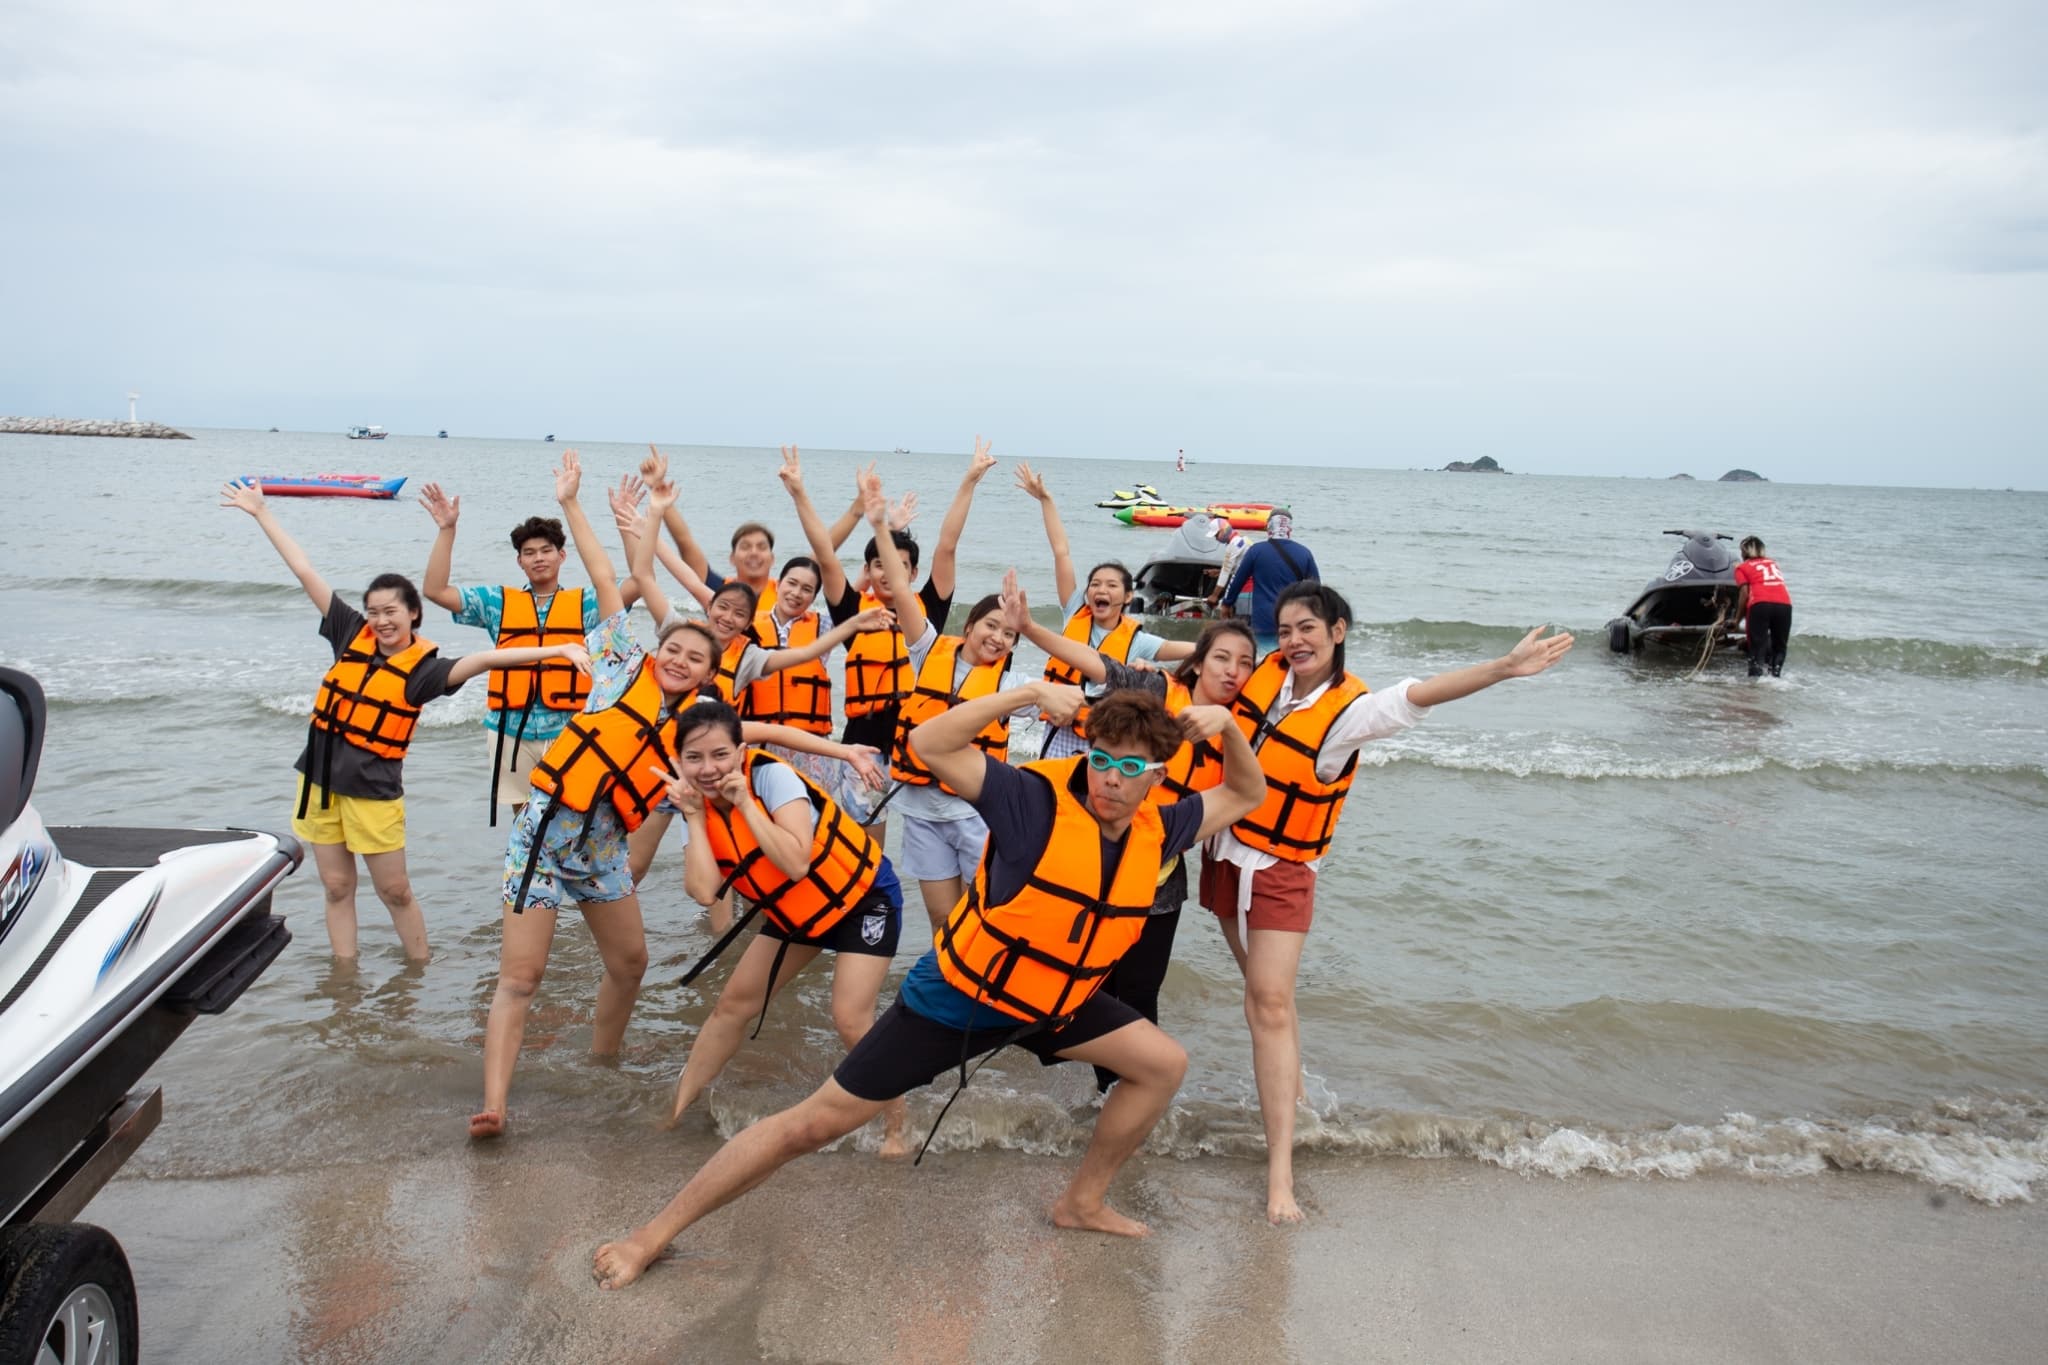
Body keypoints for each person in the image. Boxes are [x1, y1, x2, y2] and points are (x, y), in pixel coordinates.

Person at [591, 684, 1269, 1290]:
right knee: (812, 1124)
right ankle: (650, 1235)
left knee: (1162, 1064)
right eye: (1101, 759)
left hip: (1055, 1002)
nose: (1111, 780)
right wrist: (1026, 694)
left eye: (1131, 768)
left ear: (1157, 776)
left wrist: (1232, 729)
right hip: (959, 998)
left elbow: (1247, 793)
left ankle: (1082, 1202)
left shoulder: (1164, 826)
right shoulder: (1030, 801)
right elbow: (929, 743)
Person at [471, 453, 881, 1140]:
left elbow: (767, 731)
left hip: (602, 847)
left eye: (697, 656)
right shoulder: (616, 665)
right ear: (658, 649)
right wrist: (584, 505)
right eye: (675, 649)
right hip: (543, 833)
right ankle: (495, 1105)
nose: (682, 659)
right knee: (523, 974)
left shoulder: (697, 722)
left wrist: (843, 751)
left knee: (630, 964)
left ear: (710, 672)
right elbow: (614, 576)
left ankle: (602, 1062)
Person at [1204, 579, 1573, 1224]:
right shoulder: (1266, 676)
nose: (1294, 641)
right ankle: (1296, 1091)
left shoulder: (1350, 712)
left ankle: (1280, 1174)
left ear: (1337, 631)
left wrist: (1502, 669)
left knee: (1267, 1005)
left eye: (1308, 629)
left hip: (1281, 871)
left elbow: (1417, 694)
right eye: (1285, 630)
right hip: (1224, 857)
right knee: (1269, 1000)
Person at [220, 479, 590, 962]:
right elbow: (304, 569)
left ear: (414, 614)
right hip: (318, 785)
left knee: (394, 891)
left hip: (373, 789)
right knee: (336, 886)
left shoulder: (423, 671)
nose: (381, 620)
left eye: (391, 611)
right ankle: (345, 976)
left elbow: (484, 660)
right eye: (373, 612)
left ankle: (419, 965)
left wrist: (559, 649)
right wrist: (262, 513)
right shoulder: (349, 633)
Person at [1005, 574, 1260, 1090]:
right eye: (1221, 658)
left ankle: (1124, 1093)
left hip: (1159, 880)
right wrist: (1030, 629)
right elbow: (1099, 665)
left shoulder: (1242, 728)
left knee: (1140, 994)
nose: (1232, 671)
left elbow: (1249, 788)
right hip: (1098, 862)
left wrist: (1228, 726)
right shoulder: (1159, 689)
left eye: (1245, 663)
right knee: (1084, 982)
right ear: (1198, 662)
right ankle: (1092, 1075)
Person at [623, 463, 895, 883]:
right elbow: (678, 570)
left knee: (786, 843)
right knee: (695, 852)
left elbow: (825, 568)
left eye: (807, 588)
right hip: (713, 750)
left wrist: (866, 520)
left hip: (779, 749)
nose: (797, 592)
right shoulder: (710, 631)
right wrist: (649, 524)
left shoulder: (794, 636)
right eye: (791, 584)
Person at [662, 702, 908, 1157]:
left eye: (720, 754)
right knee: (731, 1007)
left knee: (849, 1018)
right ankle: (675, 1114)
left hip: (862, 899)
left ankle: (898, 1126)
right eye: (694, 758)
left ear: (741, 752)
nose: (708, 769)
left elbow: (796, 863)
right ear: (679, 761)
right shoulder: (693, 804)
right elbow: (704, 891)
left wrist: (745, 804)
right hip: (798, 912)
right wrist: (694, 817)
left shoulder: (771, 778)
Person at [777, 441, 997, 838]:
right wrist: (799, 494)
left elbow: (947, 546)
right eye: (879, 564)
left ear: (912, 573)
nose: (887, 572)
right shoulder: (853, 610)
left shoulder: (928, 608)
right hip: (864, 745)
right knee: (867, 845)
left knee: (929, 841)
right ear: (868, 569)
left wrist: (969, 481)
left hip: (920, 743)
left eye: (898, 565)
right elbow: (824, 555)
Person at [419, 484, 639, 823]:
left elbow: (638, 583)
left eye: (546, 550)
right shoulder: (497, 602)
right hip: (510, 731)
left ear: (562, 556)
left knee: (571, 821)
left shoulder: (587, 604)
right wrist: (447, 530)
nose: (538, 558)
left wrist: (627, 523)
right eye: (529, 552)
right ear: (519, 561)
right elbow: (435, 590)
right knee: (524, 823)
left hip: (569, 729)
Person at [886, 560, 1037, 931]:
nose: (998, 638)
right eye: (991, 625)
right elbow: (902, 590)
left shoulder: (1013, 686)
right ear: (969, 626)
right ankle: (944, 968)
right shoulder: (927, 654)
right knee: (943, 918)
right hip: (922, 813)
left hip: (976, 816)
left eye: (1009, 634)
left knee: (983, 913)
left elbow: (1075, 698)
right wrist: (882, 532)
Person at [1013, 461, 1192, 759]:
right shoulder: (1075, 611)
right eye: (1095, 584)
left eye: (1111, 585)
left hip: (1105, 741)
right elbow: (1061, 552)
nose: (1100, 590)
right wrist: (1046, 499)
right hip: (1059, 731)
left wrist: (1221, 651)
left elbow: (1187, 650)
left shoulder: (1138, 641)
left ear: (1128, 596)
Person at [1217, 510, 1318, 652]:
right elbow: (1316, 590)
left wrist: (1227, 604)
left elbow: (1238, 580)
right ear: (1289, 529)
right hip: (1291, 621)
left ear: (1269, 527)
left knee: (1263, 659)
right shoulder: (1304, 553)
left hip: (1262, 620)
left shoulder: (1256, 551)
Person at [1734, 536, 1793, 678]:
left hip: (1760, 605)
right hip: (1784, 604)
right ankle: (1775, 679)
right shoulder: (1773, 564)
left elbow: (1744, 594)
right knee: (1779, 647)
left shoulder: (1741, 567)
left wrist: (1737, 620)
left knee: (1757, 648)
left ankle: (1754, 683)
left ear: (1744, 552)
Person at [1204, 514, 1251, 616]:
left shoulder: (1232, 546)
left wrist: (1214, 595)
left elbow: (1225, 572)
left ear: (1224, 530)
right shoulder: (1244, 539)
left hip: (1244, 581)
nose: (1216, 539)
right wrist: (1218, 571)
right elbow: (1237, 566)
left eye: (1216, 535)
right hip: (1249, 579)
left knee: (1224, 607)